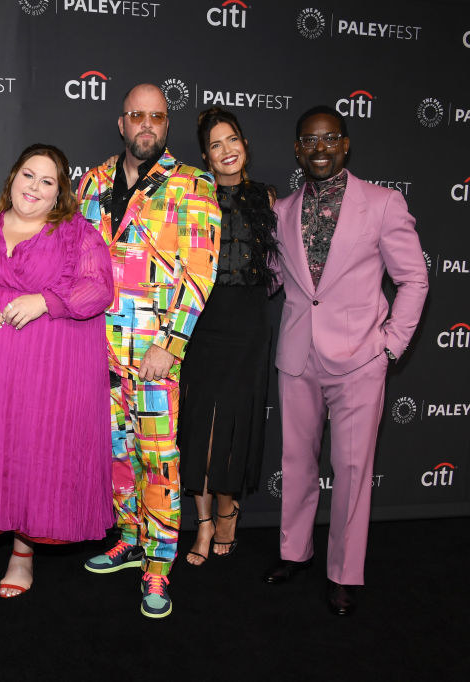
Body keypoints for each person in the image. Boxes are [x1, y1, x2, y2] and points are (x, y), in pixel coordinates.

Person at [0, 143, 114, 598]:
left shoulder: (77, 234)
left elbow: (97, 289)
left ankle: (22, 556)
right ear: (12, 177)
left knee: (30, 454)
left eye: (47, 181)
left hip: (41, 373)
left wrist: (45, 301)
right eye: (29, 175)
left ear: (59, 194)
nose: (34, 187)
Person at [263, 106, 428, 616]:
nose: (319, 149)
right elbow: (271, 280)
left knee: (354, 470)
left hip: (360, 358)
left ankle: (344, 573)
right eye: (309, 141)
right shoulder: (282, 210)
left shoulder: (381, 204)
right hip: (297, 356)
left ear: (346, 144)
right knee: (295, 463)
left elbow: (414, 279)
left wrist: (390, 345)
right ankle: (296, 552)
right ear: (297, 150)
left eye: (329, 139)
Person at [77, 83, 221, 618]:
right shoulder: (91, 182)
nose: (146, 124)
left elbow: (200, 271)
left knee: (159, 461)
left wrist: (172, 342)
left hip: (156, 353)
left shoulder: (192, 184)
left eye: (156, 116)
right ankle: (131, 539)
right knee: (117, 456)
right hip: (97, 353)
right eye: (136, 115)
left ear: (167, 125)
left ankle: (159, 569)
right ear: (122, 123)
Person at [179, 108, 279, 566]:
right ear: (205, 156)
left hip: (249, 322)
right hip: (203, 318)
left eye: (232, 139)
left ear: (245, 144)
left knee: (236, 423)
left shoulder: (268, 197)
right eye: (216, 145)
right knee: (201, 422)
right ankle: (202, 523)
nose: (227, 151)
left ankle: (227, 511)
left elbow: (280, 265)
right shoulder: (193, 198)